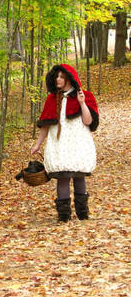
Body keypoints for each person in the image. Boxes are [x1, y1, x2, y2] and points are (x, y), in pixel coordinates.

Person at [31, 64, 99, 222]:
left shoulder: (85, 95)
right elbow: (46, 125)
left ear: (69, 78)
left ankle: (83, 214)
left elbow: (89, 121)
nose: (58, 79)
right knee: (62, 177)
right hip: (59, 144)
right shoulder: (52, 98)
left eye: (61, 76)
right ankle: (64, 216)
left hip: (78, 142)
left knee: (79, 176)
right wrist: (37, 144)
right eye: (57, 76)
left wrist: (82, 103)